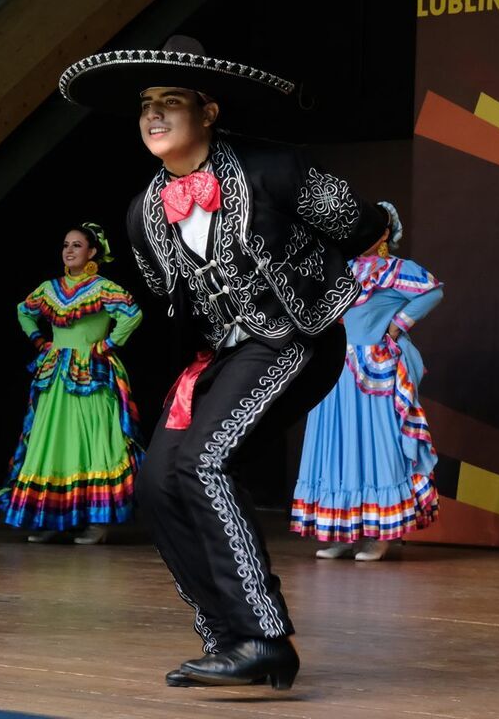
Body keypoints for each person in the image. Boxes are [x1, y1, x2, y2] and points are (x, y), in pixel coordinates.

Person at [59, 35, 389, 689]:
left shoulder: (275, 168)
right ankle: (227, 635)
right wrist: (190, 378)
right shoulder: (142, 213)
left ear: (208, 111)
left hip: (294, 338)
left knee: (207, 462)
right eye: (146, 104)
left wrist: (318, 277)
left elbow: (358, 223)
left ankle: (264, 635)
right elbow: (173, 306)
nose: (153, 116)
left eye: (170, 102)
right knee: (158, 482)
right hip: (224, 353)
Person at [290, 201, 443, 561]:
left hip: (372, 368)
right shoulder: (339, 269)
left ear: (385, 233)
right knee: (337, 446)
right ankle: (343, 529)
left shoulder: (392, 270)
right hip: (334, 368)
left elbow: (433, 290)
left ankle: (377, 534)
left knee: (374, 446)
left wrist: (397, 325)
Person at [0, 223, 143, 544]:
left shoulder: (104, 288)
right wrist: (39, 341)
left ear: (92, 252)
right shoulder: (50, 289)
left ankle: (97, 521)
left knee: (92, 442)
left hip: (91, 372)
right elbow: (24, 311)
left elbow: (131, 315)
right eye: (66, 244)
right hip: (55, 374)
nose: (69, 250)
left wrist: (106, 346)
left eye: (77, 245)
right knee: (53, 441)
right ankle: (54, 516)